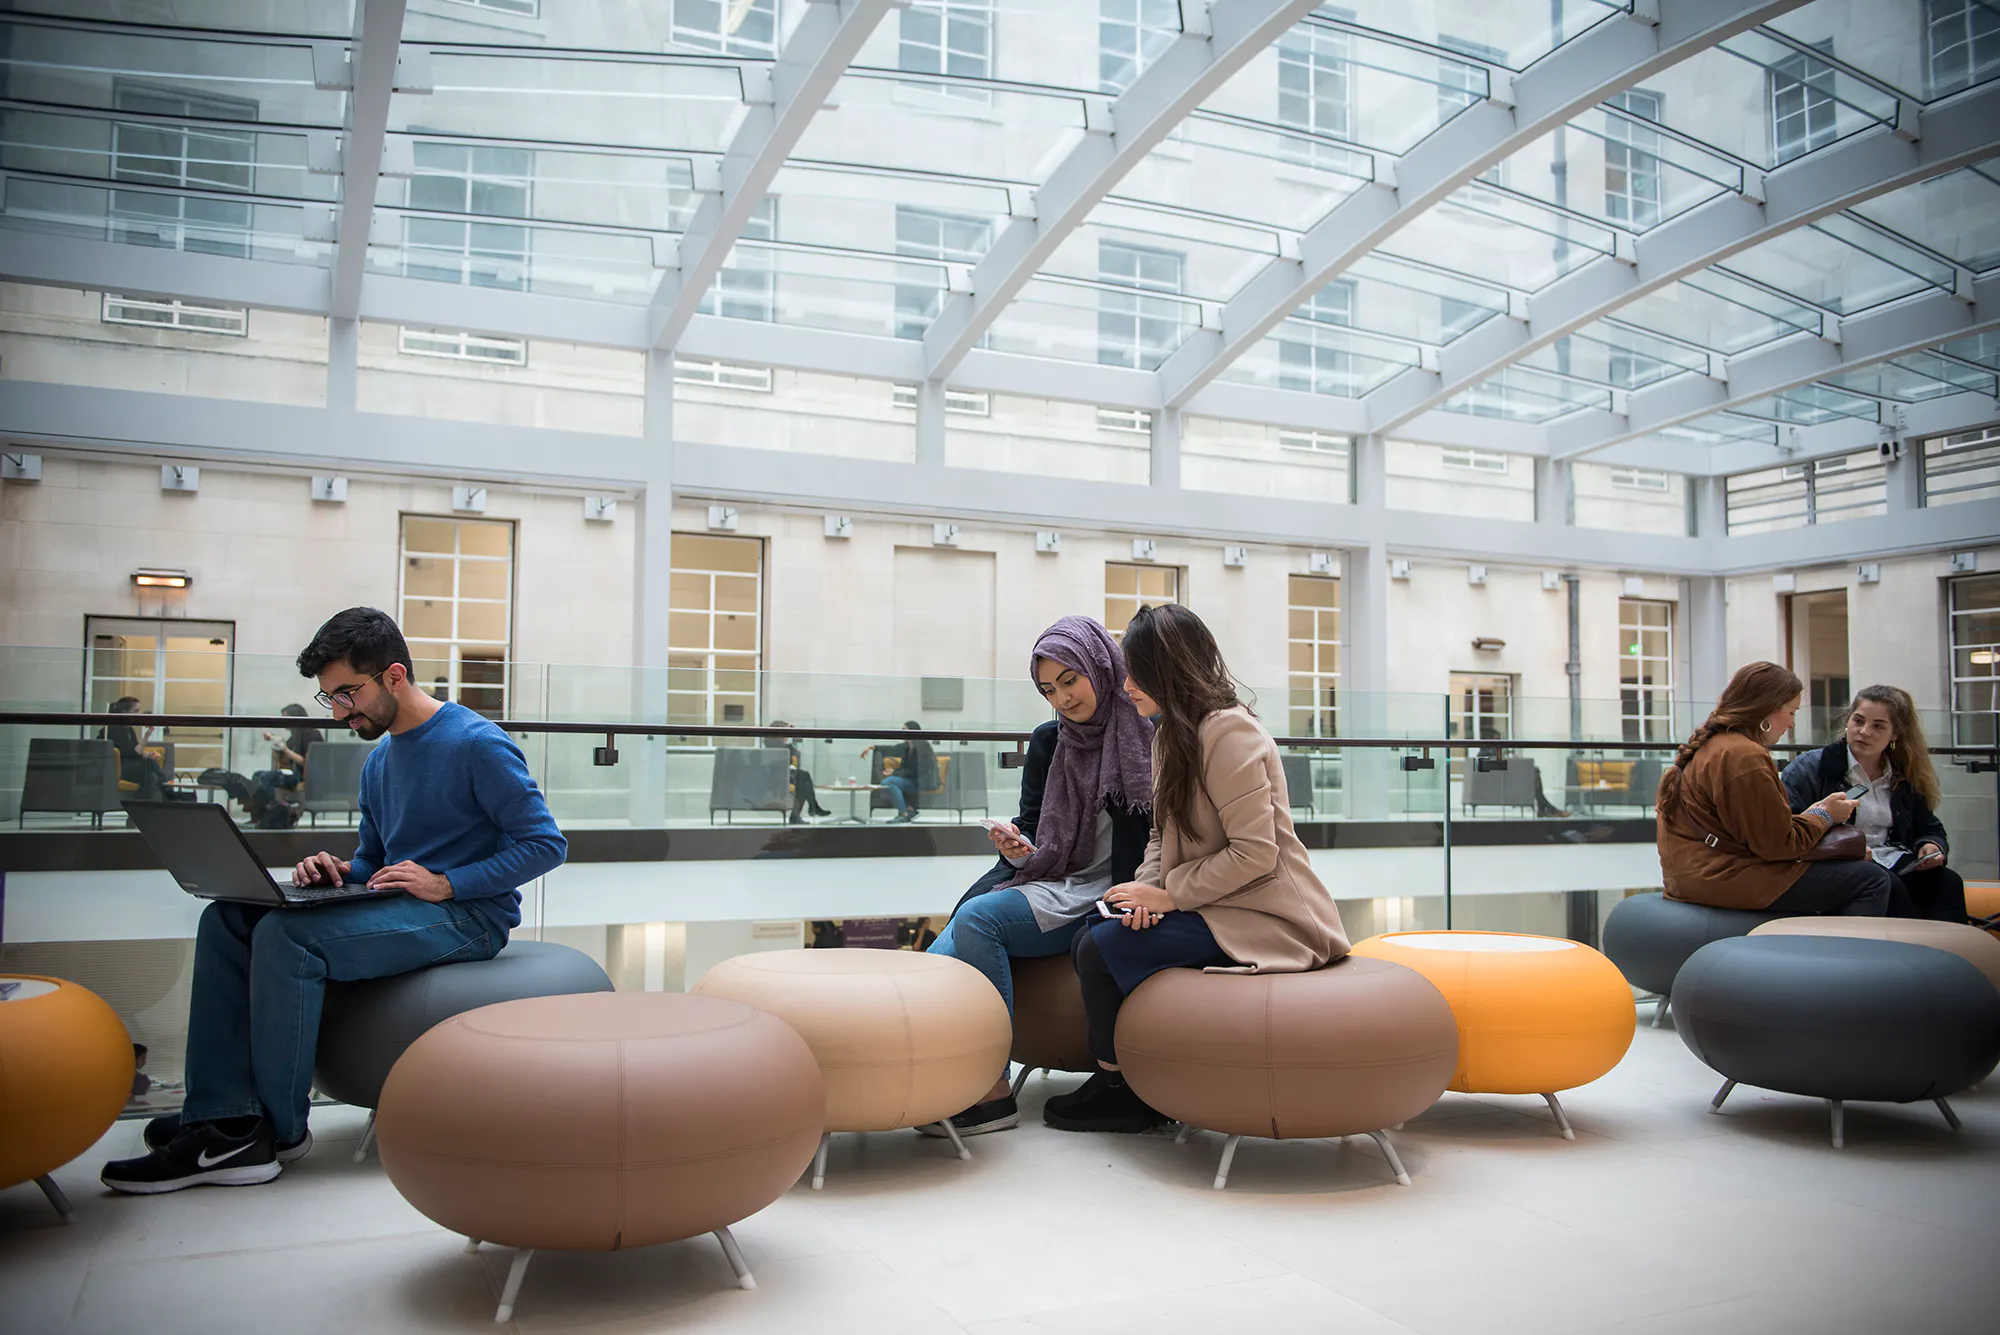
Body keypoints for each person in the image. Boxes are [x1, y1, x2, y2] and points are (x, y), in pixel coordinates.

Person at [101, 607, 567, 1194]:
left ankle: (271, 1132)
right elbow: (374, 862)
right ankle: (222, 1113)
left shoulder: (476, 744)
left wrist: (446, 883)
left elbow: (545, 844)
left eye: (348, 694)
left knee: (287, 938)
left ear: (394, 676)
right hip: (405, 904)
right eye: (330, 698)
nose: (339, 711)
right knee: (226, 918)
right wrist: (337, 872)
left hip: (468, 916)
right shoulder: (380, 761)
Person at [1047, 604, 1350, 1133]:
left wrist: (1170, 897)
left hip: (1265, 914)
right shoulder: (1170, 735)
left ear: (1169, 670)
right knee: (1092, 933)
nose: (1125, 686)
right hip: (1214, 903)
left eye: (1137, 673)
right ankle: (1132, 1077)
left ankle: (1123, 1089)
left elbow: (1256, 854)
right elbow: (1161, 836)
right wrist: (1143, 892)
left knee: (1099, 949)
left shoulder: (1230, 734)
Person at [924, 616, 1154, 1136]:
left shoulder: (1148, 735)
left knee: (978, 920)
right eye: (1049, 690)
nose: (1063, 698)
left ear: (1101, 665)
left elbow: (1168, 834)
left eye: (1070, 680)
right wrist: (1018, 848)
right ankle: (923, 1077)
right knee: (938, 957)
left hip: (1113, 890)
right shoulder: (1050, 741)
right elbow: (1033, 828)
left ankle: (992, 1091)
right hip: (1051, 878)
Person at [1656, 661, 1910, 918]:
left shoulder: (1718, 745)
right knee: (1871, 879)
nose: (1791, 724)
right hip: (1721, 876)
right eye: (1791, 712)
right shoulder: (1744, 755)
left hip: (1694, 873)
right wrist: (1825, 815)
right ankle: (1842, 946)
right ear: (1768, 708)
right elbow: (1778, 845)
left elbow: (1756, 832)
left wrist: (1814, 814)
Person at [1780, 685, 1963, 923]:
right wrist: (1847, 848)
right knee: (1890, 887)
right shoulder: (1811, 767)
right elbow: (1789, 828)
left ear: (1895, 734)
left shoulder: (1902, 774)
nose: (1864, 732)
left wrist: (1931, 845)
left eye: (1878, 726)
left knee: (1947, 882)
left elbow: (1929, 826)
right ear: (1848, 721)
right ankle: (1910, 944)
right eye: (1858, 721)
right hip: (1842, 863)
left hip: (1893, 859)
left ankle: (1951, 945)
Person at [861, 721, 938, 823]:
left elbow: (917, 771)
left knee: (887, 782)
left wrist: (894, 773)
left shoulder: (923, 747)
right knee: (887, 783)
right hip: (912, 780)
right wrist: (872, 747)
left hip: (921, 782)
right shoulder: (907, 746)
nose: (902, 732)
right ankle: (909, 809)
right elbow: (892, 749)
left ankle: (903, 813)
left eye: (904, 730)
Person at [101, 695, 173, 799]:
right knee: (149, 763)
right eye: (136, 711)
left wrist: (149, 754)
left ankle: (142, 804)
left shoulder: (129, 730)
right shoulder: (116, 729)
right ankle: (167, 786)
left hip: (130, 765)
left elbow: (135, 750)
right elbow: (135, 752)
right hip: (119, 769)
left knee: (151, 777)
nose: (138, 714)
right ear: (124, 713)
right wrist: (147, 735)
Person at [767, 721, 832, 824]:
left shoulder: (782, 746)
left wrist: (793, 738)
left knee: (803, 781)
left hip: (785, 778)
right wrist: (794, 736)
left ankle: (802, 812)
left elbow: (795, 761)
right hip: (775, 781)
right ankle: (811, 808)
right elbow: (786, 759)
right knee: (804, 777)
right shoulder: (773, 745)